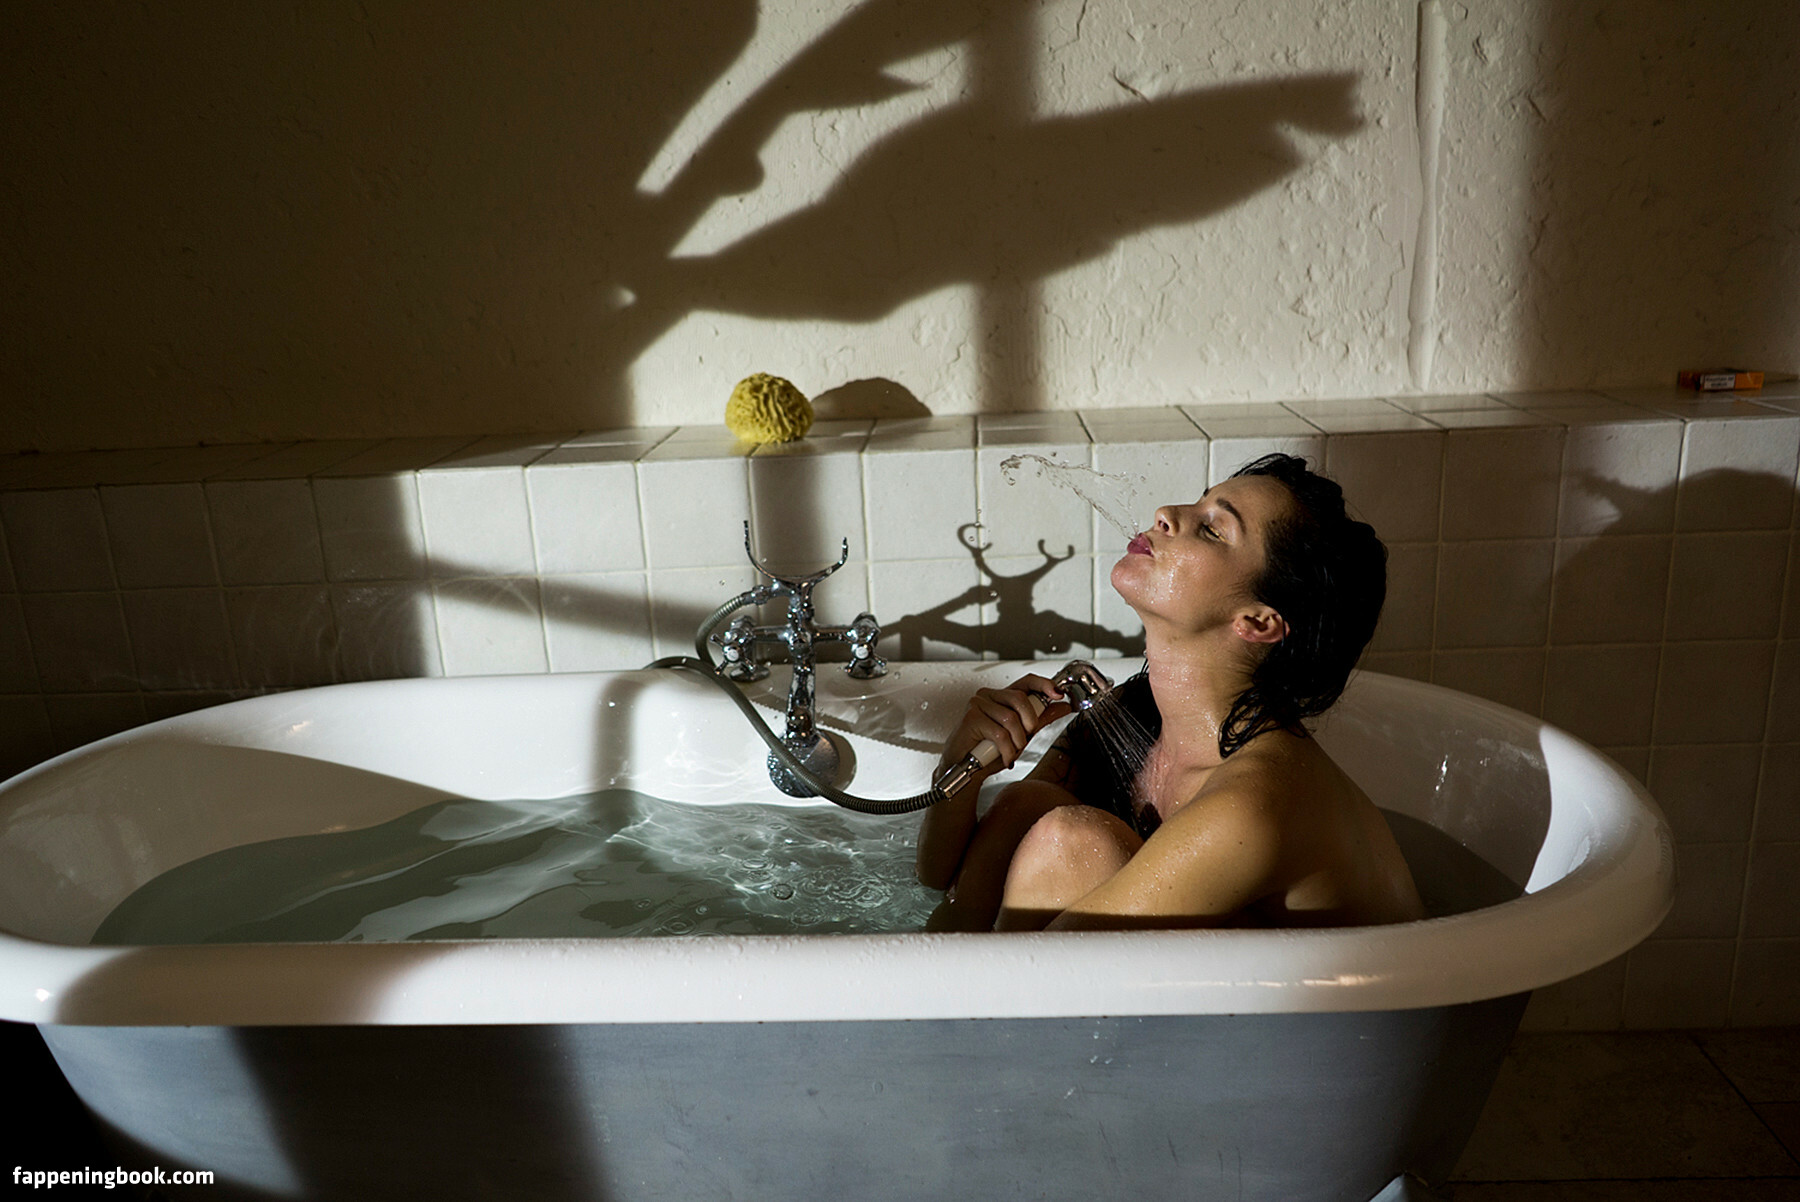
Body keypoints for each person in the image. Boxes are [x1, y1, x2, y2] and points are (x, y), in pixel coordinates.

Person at [916, 453, 1425, 932]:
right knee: (1026, 804)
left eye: (1211, 529)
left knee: (1072, 845)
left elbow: (1031, 964)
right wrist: (963, 765)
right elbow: (942, 880)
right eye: (1198, 504)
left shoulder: (1257, 800)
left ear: (1257, 621)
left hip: (1370, 997)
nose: (1166, 514)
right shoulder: (1132, 714)